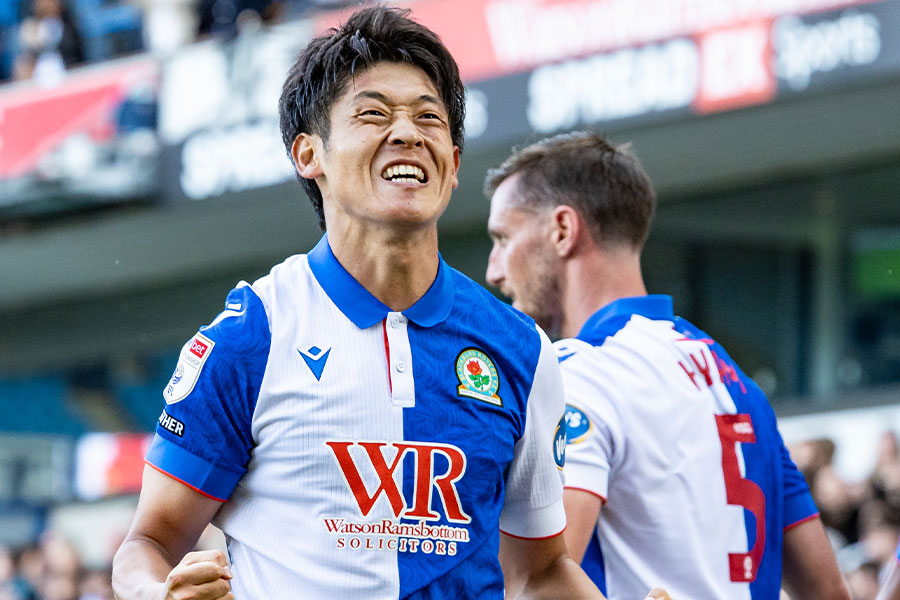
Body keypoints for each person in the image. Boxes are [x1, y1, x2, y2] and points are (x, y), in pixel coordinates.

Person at [111, 8, 628, 600]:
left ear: (453, 164)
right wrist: (157, 594)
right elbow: (147, 544)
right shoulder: (252, 335)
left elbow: (540, 572)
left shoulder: (522, 350)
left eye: (429, 118)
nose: (408, 133)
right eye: (374, 113)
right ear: (310, 155)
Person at [484, 130, 850, 600]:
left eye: (503, 238)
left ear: (562, 230)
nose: (494, 269)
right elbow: (829, 593)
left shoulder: (577, 370)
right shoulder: (734, 380)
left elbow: (540, 581)